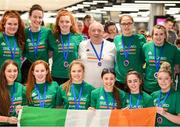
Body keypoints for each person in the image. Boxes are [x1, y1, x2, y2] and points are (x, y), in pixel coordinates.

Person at [22, 4, 57, 84]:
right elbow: (22, 51)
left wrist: (42, 60)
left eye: (40, 17)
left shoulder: (47, 32)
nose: (37, 19)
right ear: (30, 17)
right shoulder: (24, 33)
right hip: (28, 68)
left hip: (43, 69)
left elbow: (52, 50)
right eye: (34, 17)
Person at [142, 25, 180, 93]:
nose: (158, 37)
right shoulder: (145, 47)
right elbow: (141, 64)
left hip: (166, 87)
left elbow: (177, 69)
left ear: (165, 35)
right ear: (152, 36)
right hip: (149, 87)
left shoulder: (173, 49)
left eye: (161, 34)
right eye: (156, 34)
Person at [79, 21, 116, 88]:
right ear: (89, 33)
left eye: (99, 30)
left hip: (106, 88)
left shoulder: (112, 46)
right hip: (86, 87)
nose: (96, 33)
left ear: (103, 32)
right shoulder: (82, 45)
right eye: (93, 30)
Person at [114, 15, 146, 90]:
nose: (126, 26)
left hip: (135, 79)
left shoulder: (140, 38)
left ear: (133, 24)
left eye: (129, 23)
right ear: (120, 25)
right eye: (123, 24)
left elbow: (144, 58)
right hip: (120, 79)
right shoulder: (116, 39)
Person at [52, 9, 84, 85]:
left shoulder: (78, 37)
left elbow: (82, 56)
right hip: (57, 74)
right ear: (58, 23)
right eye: (61, 22)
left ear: (71, 23)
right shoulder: (53, 37)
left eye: (67, 22)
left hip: (73, 75)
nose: (64, 24)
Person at [151, 62, 180, 126]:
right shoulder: (153, 95)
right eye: (160, 78)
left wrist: (164, 113)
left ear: (171, 80)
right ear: (157, 80)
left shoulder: (177, 96)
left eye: (166, 78)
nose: (163, 81)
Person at [0, 10, 25, 82]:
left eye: (15, 24)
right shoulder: (1, 38)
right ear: (4, 24)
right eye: (9, 24)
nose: (12, 26)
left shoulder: (20, 39)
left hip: (17, 79)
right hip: (2, 80)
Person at [0, 60, 24, 125]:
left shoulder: (21, 87)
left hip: (18, 124)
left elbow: (27, 106)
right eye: (9, 71)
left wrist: (22, 109)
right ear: (3, 72)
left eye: (15, 71)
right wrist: (7, 119)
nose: (12, 74)